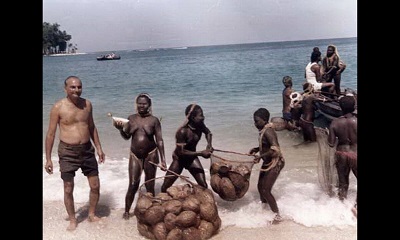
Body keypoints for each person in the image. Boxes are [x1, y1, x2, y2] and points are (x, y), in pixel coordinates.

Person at [45, 75, 106, 231]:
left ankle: (91, 214)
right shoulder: (58, 107)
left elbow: (91, 127)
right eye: (73, 87)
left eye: (79, 87)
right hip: (67, 151)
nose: (76, 90)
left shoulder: (87, 105)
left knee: (95, 185)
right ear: (65, 88)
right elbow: (50, 134)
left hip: (87, 150)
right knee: (68, 187)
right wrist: (48, 159)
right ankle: (73, 219)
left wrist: (98, 147)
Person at [113, 93, 167, 220]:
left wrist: (163, 159)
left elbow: (159, 140)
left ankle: (151, 211)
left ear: (149, 105)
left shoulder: (154, 120)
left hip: (151, 154)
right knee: (133, 184)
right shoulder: (131, 119)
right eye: (139, 103)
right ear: (136, 104)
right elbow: (127, 137)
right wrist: (121, 129)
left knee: (149, 184)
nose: (141, 106)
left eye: (144, 103)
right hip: (135, 155)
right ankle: (127, 211)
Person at [161, 104, 213, 192]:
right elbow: (181, 152)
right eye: (201, 115)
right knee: (165, 187)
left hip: (192, 159)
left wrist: (209, 145)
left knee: (203, 185)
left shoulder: (200, 126)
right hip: (179, 160)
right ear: (193, 117)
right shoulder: (182, 131)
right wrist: (201, 153)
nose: (203, 117)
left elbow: (208, 133)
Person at [249, 108, 285, 224]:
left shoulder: (269, 131)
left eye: (257, 121)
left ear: (264, 120)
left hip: (275, 162)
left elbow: (275, 149)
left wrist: (260, 156)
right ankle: (264, 210)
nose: (255, 124)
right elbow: (265, 145)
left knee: (265, 190)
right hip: (267, 161)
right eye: (254, 121)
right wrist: (256, 149)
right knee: (260, 186)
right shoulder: (263, 130)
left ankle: (277, 215)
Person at [327, 96, 357, 214]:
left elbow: (331, 143)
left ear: (340, 107)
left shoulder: (335, 123)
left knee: (343, 183)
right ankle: (356, 207)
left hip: (341, 154)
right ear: (354, 107)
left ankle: (341, 209)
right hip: (355, 154)